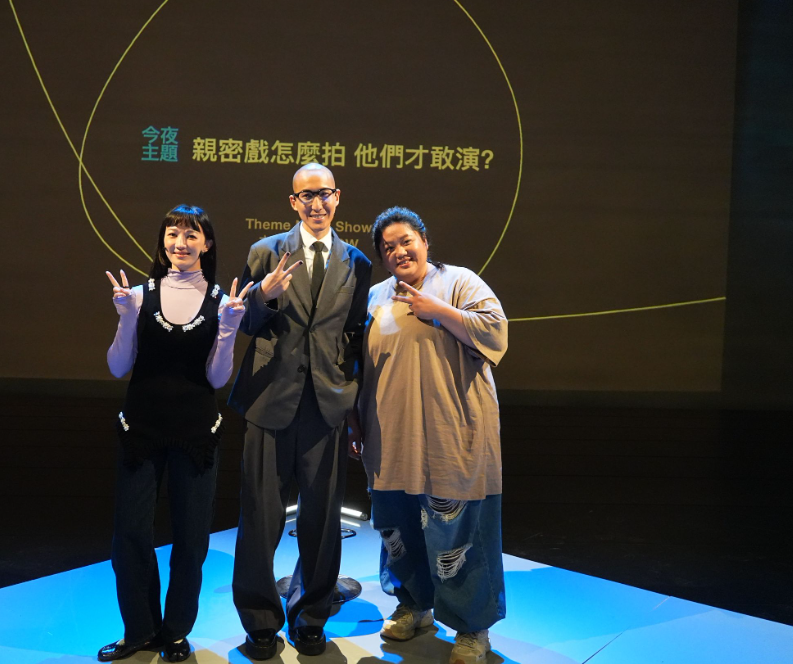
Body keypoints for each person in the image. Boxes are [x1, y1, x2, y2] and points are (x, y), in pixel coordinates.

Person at [228, 163, 372, 658]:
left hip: (327, 405)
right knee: (260, 518)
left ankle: (311, 615)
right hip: (269, 399)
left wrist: (351, 404)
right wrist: (263, 298)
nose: (316, 203)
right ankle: (260, 621)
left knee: (323, 519)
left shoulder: (356, 262)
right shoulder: (265, 251)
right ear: (293, 202)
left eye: (324, 194)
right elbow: (242, 322)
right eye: (306, 195)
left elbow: (354, 335)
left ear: (338, 197)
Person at [352, 207, 508, 664]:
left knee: (457, 534)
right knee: (396, 528)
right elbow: (358, 365)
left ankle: (472, 629)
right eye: (388, 248)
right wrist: (353, 420)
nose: (399, 251)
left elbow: (496, 331)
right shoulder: (375, 297)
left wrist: (439, 311)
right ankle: (413, 605)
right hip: (391, 438)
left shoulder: (460, 282)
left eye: (406, 241)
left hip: (452, 435)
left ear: (424, 241)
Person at [98, 205, 252, 662]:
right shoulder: (138, 295)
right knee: (129, 536)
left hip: (196, 434)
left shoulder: (222, 300)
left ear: (207, 243)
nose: (180, 243)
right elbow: (118, 367)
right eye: (172, 234)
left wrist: (229, 328)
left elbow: (217, 378)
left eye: (191, 235)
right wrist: (125, 316)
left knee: (191, 541)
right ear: (162, 241)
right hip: (141, 431)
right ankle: (139, 630)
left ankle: (176, 632)